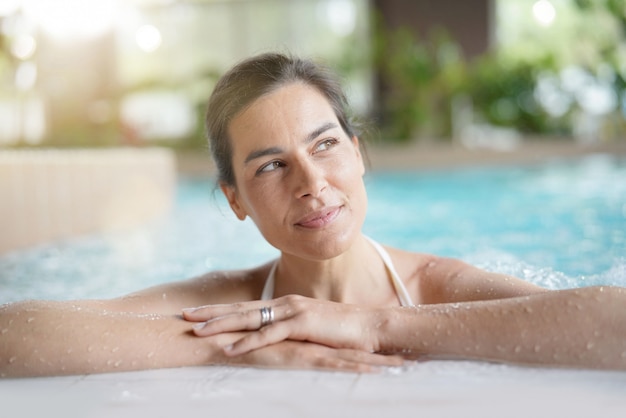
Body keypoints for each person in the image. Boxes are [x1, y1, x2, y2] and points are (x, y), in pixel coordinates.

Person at [1, 53, 625, 378]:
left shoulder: (436, 287)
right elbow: (12, 335)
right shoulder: (230, 303)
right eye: (271, 166)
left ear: (357, 154)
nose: (312, 184)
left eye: (325, 145)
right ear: (235, 200)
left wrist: (373, 326)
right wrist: (230, 348)